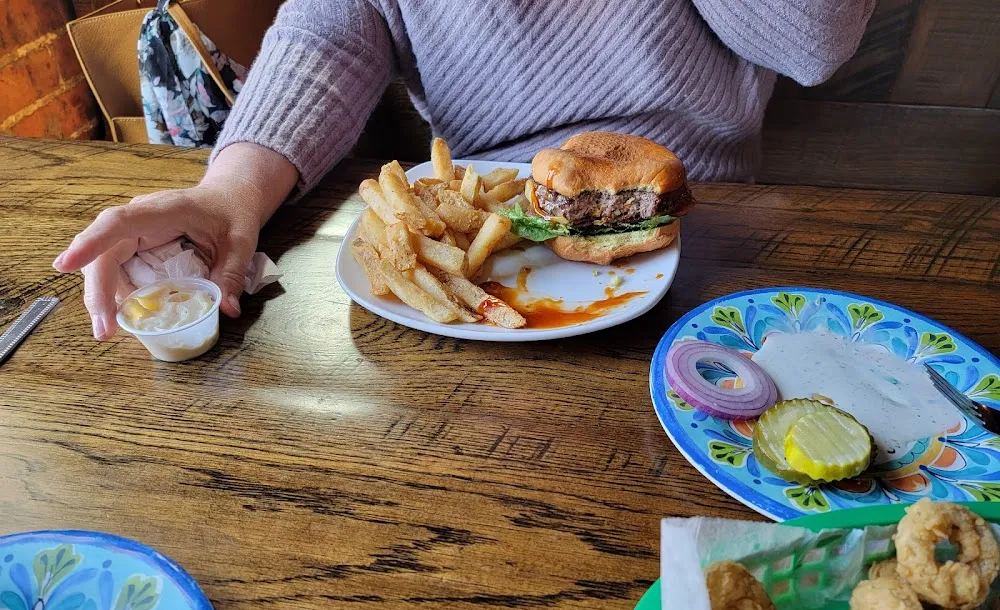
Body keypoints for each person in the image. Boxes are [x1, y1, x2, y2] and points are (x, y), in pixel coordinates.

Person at [53, 0, 875, 340]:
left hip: (706, 232)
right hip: (482, 248)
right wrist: (227, 193)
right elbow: (332, 31)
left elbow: (814, 39)